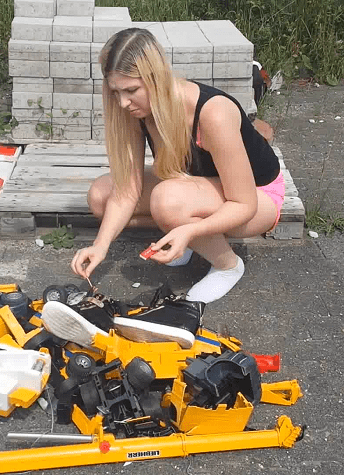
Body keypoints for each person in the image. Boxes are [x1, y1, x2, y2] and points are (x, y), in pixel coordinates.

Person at [70, 28, 285, 305]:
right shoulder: (138, 109)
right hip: (197, 185)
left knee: (167, 202)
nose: (123, 102)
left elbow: (244, 204)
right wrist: (100, 246)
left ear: (156, 79)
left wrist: (189, 230)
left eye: (131, 90)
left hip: (257, 197)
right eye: (116, 92)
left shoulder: (212, 112)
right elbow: (128, 189)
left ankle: (227, 265)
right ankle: (187, 234)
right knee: (101, 197)